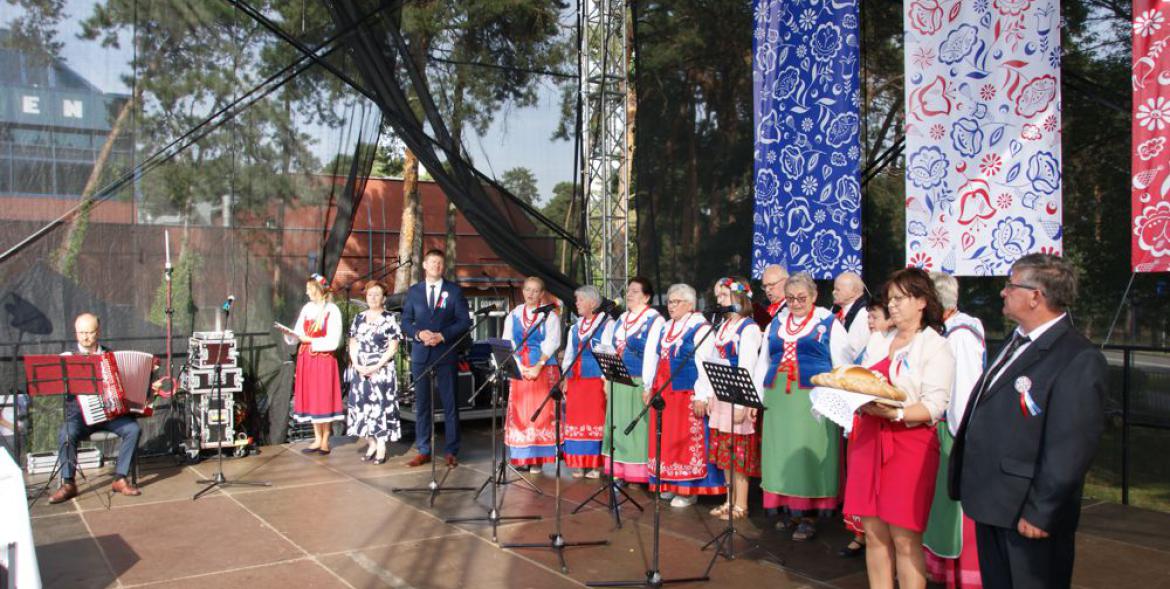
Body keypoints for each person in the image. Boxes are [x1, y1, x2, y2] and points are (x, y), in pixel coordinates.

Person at [949, 254, 1106, 588]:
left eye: (1011, 284)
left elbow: (1070, 447)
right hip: (994, 503)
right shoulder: (1016, 341)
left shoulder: (1077, 356)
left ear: (1037, 295)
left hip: (1027, 512)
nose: (1003, 292)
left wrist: (1041, 511)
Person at [845, 268, 954, 589]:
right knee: (875, 535)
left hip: (910, 446)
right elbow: (861, 382)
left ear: (922, 301)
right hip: (869, 441)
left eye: (900, 299)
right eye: (889, 299)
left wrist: (893, 413)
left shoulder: (934, 346)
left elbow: (934, 405)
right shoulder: (880, 341)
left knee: (905, 539)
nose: (891, 305)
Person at [754, 272, 849, 541]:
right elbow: (764, 361)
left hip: (812, 399)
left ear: (815, 295)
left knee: (807, 452)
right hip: (778, 398)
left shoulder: (829, 323)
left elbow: (842, 364)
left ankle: (809, 514)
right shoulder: (777, 323)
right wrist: (757, 399)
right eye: (791, 298)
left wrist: (838, 402)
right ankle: (790, 510)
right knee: (781, 452)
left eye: (801, 298)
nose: (795, 303)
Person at [923, 272, 987, 588]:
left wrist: (961, 442)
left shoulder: (961, 335)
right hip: (944, 429)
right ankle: (946, 568)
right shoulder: (947, 331)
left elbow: (964, 391)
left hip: (955, 431)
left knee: (956, 508)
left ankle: (964, 574)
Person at [50, 312, 142, 503]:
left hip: (109, 415)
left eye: (89, 332)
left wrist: (148, 385)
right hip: (79, 417)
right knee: (66, 433)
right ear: (75, 333)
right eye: (81, 332)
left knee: (133, 429)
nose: (85, 337)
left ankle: (120, 478)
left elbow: (129, 383)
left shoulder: (111, 357)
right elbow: (57, 386)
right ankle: (69, 483)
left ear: (97, 332)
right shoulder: (67, 358)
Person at [647, 283, 725, 507]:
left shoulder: (700, 327)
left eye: (676, 302)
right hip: (665, 392)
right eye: (670, 302)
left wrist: (702, 395)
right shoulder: (666, 327)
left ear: (690, 304)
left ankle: (689, 490)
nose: (671, 306)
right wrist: (649, 386)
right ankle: (671, 483)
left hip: (686, 392)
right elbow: (655, 358)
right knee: (668, 440)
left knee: (685, 440)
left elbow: (704, 362)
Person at [400, 249, 471, 468]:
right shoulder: (414, 292)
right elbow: (405, 321)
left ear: (443, 267)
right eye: (432, 262)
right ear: (424, 265)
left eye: (439, 263)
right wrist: (419, 334)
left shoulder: (454, 291)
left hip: (446, 352)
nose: (436, 266)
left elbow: (463, 322)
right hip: (421, 354)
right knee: (422, 404)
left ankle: (451, 450)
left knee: (450, 404)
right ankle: (423, 449)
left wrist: (442, 335)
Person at [840, 296, 896, 558]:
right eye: (869, 317)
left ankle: (882, 538)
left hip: (884, 420)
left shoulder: (895, 345)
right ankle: (860, 533)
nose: (870, 322)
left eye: (875, 317)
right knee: (860, 477)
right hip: (863, 417)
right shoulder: (874, 341)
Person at [704, 277, 762, 519]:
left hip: (738, 397)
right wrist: (709, 395)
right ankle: (729, 501)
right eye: (718, 296)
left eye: (723, 296)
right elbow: (711, 361)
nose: (719, 300)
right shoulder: (723, 327)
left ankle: (741, 504)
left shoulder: (748, 328)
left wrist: (742, 404)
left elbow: (747, 367)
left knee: (739, 453)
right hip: (721, 397)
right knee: (725, 453)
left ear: (738, 298)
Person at [599, 277, 663, 485]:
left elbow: (653, 354)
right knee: (616, 424)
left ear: (646, 296)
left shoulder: (655, 319)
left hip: (638, 381)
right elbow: (608, 348)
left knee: (636, 428)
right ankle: (619, 472)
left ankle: (639, 473)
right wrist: (607, 378)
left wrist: (648, 385)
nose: (629, 294)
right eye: (628, 291)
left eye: (635, 291)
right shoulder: (622, 318)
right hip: (618, 379)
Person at [279, 274, 344, 454]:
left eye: (309, 289)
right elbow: (299, 332)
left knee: (324, 396)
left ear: (317, 289)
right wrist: (290, 334)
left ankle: (325, 439)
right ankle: (316, 438)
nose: (307, 292)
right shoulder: (307, 308)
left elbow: (334, 339)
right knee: (313, 397)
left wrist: (310, 340)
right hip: (306, 358)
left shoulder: (332, 310)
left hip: (323, 358)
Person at [503, 276, 561, 471]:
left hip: (542, 368)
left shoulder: (550, 316)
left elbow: (552, 341)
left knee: (540, 413)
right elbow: (508, 340)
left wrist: (538, 365)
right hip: (520, 367)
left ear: (542, 294)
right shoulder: (514, 314)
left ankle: (537, 459)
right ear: (522, 291)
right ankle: (522, 458)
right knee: (521, 411)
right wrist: (518, 365)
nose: (530, 294)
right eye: (528, 289)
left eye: (535, 290)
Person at [345, 280, 403, 465]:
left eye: (377, 294)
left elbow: (393, 348)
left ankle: (381, 447)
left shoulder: (389, 319)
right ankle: (370, 442)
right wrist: (357, 363)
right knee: (361, 407)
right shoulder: (359, 318)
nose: (373, 298)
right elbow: (353, 343)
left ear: (384, 298)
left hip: (382, 370)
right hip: (360, 369)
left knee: (380, 408)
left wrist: (375, 366)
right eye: (370, 294)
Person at [561, 285, 609, 478]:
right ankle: (579, 462)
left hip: (595, 379)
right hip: (576, 379)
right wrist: (565, 377)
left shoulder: (606, 324)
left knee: (595, 419)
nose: (577, 303)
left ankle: (596, 464)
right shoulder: (575, 326)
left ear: (593, 302)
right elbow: (569, 354)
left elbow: (607, 352)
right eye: (577, 299)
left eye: (580, 300)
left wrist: (606, 380)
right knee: (576, 420)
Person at [832, 271, 871, 362]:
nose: (833, 292)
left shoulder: (864, 315)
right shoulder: (835, 309)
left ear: (853, 292)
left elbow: (853, 351)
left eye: (838, 290)